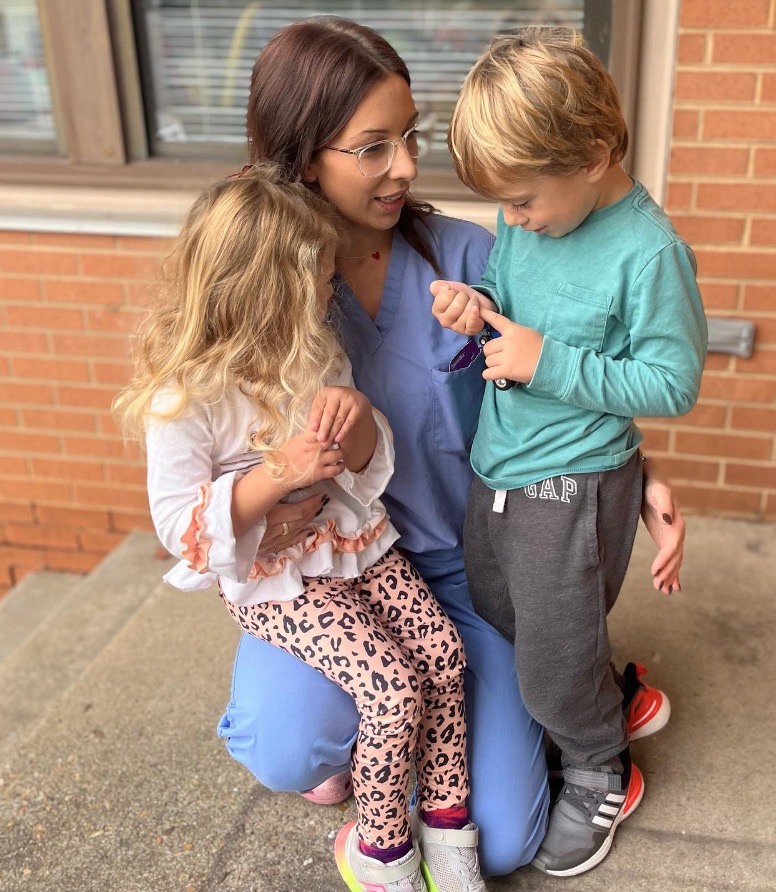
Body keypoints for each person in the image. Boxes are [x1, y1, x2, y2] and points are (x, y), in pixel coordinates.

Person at [213, 16, 686, 880]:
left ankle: (577, 701)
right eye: (371, 147)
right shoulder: (264, 286)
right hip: (331, 581)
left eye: (410, 138)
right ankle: (389, 743)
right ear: (300, 157)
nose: (404, 166)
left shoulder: (478, 255)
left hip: (472, 569)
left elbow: (567, 376)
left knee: (503, 843)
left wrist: (636, 469)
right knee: (285, 750)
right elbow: (199, 437)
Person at [113, 167, 488, 892]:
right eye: (318, 279)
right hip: (277, 580)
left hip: (355, 545)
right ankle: (380, 852)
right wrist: (272, 477)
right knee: (391, 689)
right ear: (268, 294)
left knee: (442, 654)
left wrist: (355, 435)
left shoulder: (312, 349)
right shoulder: (186, 397)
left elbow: (362, 459)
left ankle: (447, 823)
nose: (330, 290)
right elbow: (177, 528)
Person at [429, 27, 708, 877]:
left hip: (575, 480)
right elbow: (519, 302)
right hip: (500, 464)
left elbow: (672, 384)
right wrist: (480, 307)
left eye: (522, 202)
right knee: (507, 612)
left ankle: (598, 769)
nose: (511, 222)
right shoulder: (533, 219)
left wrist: (551, 361)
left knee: (546, 668)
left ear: (593, 154)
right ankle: (615, 695)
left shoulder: (649, 252)